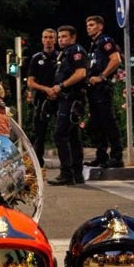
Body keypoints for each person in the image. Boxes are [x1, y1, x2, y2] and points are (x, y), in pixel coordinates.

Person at [48, 24, 88, 186]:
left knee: (60, 134)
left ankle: (67, 173)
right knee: (72, 137)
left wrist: (61, 86)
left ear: (73, 37)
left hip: (72, 98)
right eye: (59, 37)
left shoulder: (76, 51)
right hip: (66, 98)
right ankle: (76, 174)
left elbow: (81, 73)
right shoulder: (65, 53)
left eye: (64, 36)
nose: (60, 40)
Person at [83, 15, 124, 168]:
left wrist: (102, 76)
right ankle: (101, 156)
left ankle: (116, 156)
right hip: (93, 89)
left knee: (108, 122)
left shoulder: (105, 40)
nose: (89, 27)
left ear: (100, 26)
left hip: (103, 88)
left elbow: (116, 59)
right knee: (96, 123)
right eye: (87, 25)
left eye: (92, 25)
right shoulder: (94, 44)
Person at [24, 28, 58, 169]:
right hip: (41, 99)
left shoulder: (61, 56)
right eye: (45, 37)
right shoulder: (36, 58)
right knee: (39, 133)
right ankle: (38, 164)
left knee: (61, 132)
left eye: (51, 37)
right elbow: (30, 81)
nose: (48, 40)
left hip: (59, 97)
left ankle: (68, 164)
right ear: (42, 39)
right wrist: (45, 89)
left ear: (55, 40)